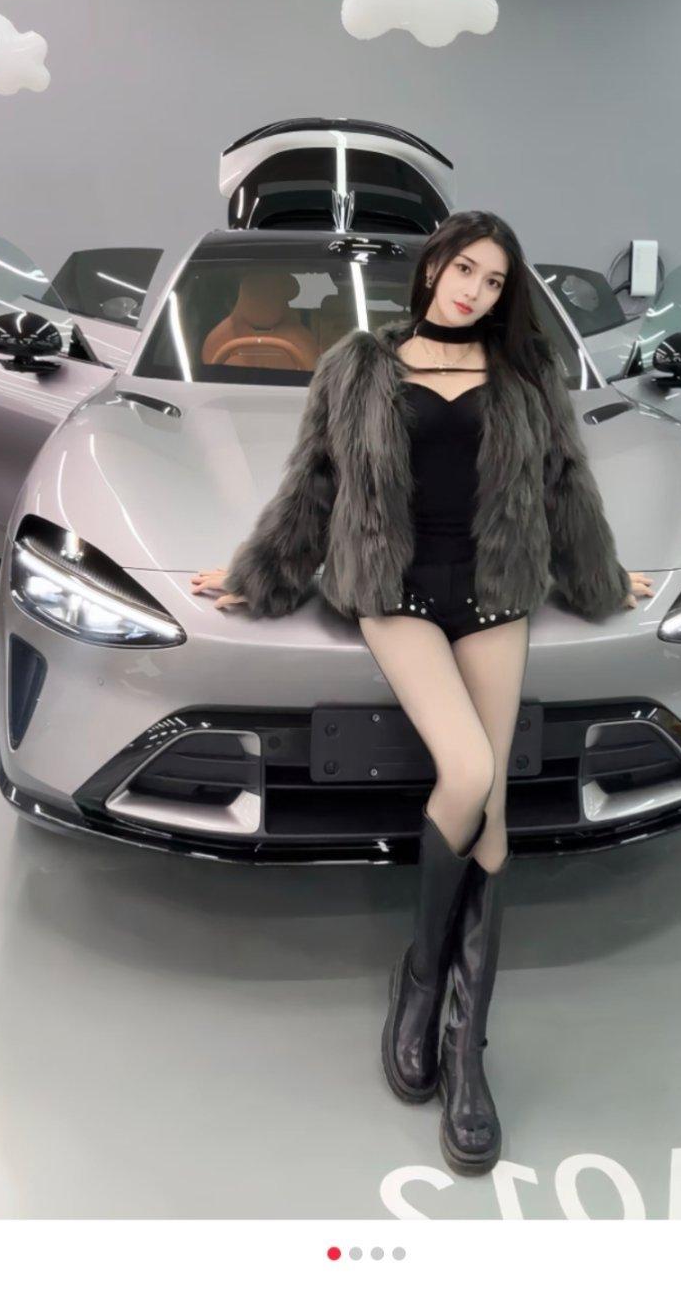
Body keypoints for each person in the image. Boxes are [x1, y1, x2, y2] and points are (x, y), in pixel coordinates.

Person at [190, 211, 653, 1173]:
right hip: (393, 593)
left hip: (494, 592)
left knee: (492, 813)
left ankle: (462, 1043)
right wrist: (257, 572)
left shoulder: (526, 373)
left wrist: (602, 577)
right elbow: (314, 483)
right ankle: (420, 975)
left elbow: (565, 485)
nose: (475, 291)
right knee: (471, 770)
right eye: (465, 269)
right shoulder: (358, 366)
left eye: (494, 281)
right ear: (435, 264)